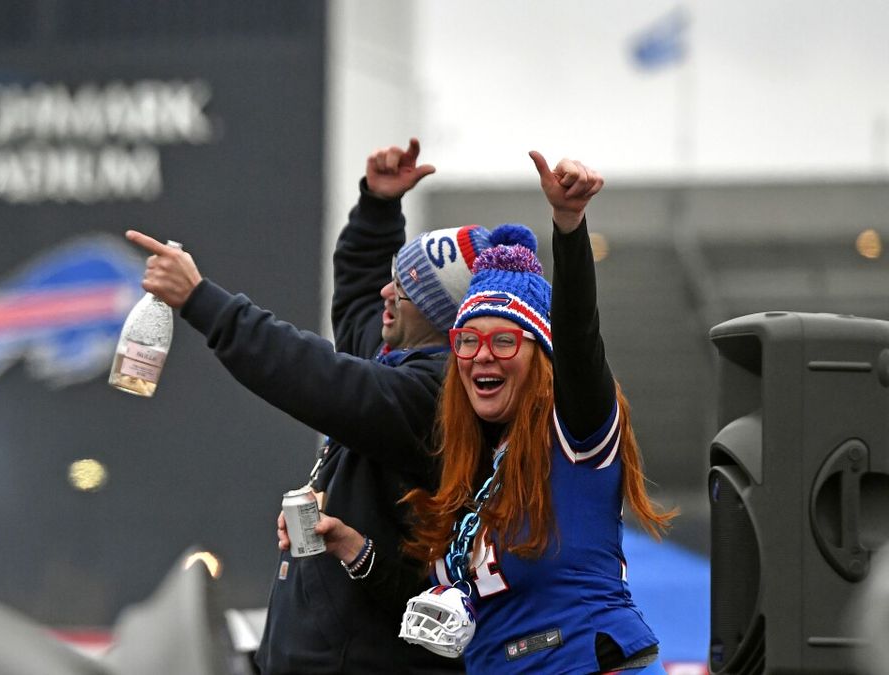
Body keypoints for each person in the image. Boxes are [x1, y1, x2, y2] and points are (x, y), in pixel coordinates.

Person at [126, 139, 485, 674]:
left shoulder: (431, 396)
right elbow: (361, 298)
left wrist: (202, 301)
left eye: (405, 287)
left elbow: (311, 374)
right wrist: (378, 208)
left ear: (436, 311)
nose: (388, 291)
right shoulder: (400, 364)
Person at [321, 151, 678, 674]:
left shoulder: (574, 433)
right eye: (467, 341)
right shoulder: (475, 463)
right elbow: (445, 608)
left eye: (505, 341)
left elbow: (579, 337)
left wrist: (569, 226)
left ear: (542, 358)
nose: (482, 355)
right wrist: (353, 547)